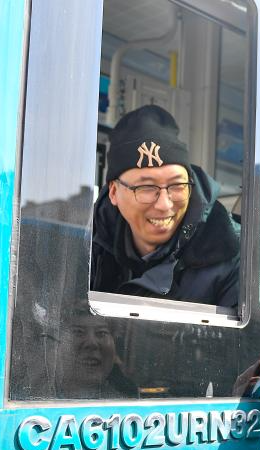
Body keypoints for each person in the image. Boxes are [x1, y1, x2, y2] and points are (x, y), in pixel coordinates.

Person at [90, 104, 239, 307]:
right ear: (114, 192)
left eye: (177, 185)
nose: (164, 204)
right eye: (146, 188)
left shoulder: (234, 255)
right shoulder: (88, 244)